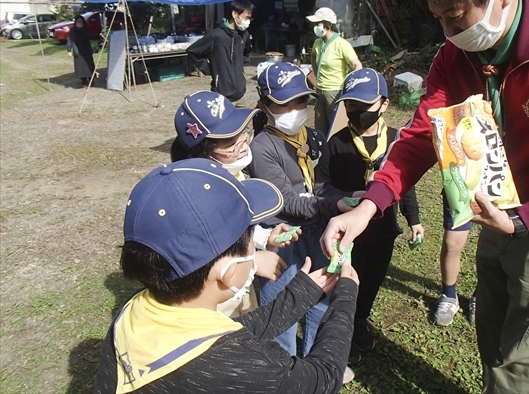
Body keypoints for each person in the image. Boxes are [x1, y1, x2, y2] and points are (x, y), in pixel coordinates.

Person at [320, 0, 529, 392]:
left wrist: (526, 216)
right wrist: (369, 206)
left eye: (455, 17)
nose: (448, 32)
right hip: (494, 209)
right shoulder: (456, 55)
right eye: (440, 20)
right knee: (490, 329)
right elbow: (417, 137)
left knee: (523, 361)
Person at [93, 158, 360, 393]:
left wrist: (300, 294)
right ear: (229, 274)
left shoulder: (133, 313)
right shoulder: (248, 367)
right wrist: (345, 297)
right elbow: (322, 378)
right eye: (250, 237)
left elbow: (230, 335)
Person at [248, 62, 360, 382]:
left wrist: (348, 196)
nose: (294, 109)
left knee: (321, 297)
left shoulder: (313, 136)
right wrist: (333, 203)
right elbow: (289, 201)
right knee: (281, 306)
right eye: (284, 103)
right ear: (264, 106)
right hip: (281, 237)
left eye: (300, 101)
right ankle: (285, 373)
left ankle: (319, 362)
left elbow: (322, 185)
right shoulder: (261, 147)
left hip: (319, 229)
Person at [170, 90, 301, 318]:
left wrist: (262, 237)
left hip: (240, 290)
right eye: (230, 140)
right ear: (202, 150)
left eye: (243, 132)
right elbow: (194, 262)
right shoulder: (190, 197)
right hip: (211, 305)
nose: (243, 143)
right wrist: (252, 263)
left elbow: (237, 225)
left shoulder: (234, 175)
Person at [328, 68, 425, 364]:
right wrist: (341, 200)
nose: (356, 113)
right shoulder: (338, 142)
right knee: (347, 284)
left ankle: (360, 321)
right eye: (350, 106)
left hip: (383, 231)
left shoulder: (397, 140)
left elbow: (403, 184)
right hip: (350, 235)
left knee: (371, 282)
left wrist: (414, 219)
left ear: (384, 103)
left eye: (364, 106)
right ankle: (343, 331)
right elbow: (325, 186)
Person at [186, 0, 254, 105]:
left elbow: (248, 51)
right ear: (235, 14)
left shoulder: (243, 34)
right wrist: (209, 69)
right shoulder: (217, 35)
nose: (248, 21)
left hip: (240, 94)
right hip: (222, 95)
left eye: (250, 18)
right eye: (246, 18)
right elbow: (193, 51)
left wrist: (240, 66)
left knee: (243, 121)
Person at [306, 7, 362, 134]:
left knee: (336, 130)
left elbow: (357, 65)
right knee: (320, 129)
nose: (315, 27)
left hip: (335, 92)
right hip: (319, 91)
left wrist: (351, 88)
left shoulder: (341, 44)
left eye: (318, 23)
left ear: (328, 24)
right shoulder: (318, 43)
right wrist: (315, 75)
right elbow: (313, 56)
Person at [433, 192, 474, 326]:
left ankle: (482, 296)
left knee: (493, 243)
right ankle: (449, 295)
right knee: (452, 244)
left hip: (499, 183)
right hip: (460, 182)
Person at [66, 14, 95, 88]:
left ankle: (91, 80)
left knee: (89, 66)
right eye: (78, 21)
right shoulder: (73, 30)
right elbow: (69, 39)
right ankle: (84, 81)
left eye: (80, 21)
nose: (79, 23)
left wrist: (82, 28)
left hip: (86, 50)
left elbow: (90, 35)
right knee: (80, 67)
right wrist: (69, 50)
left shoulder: (86, 29)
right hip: (77, 50)